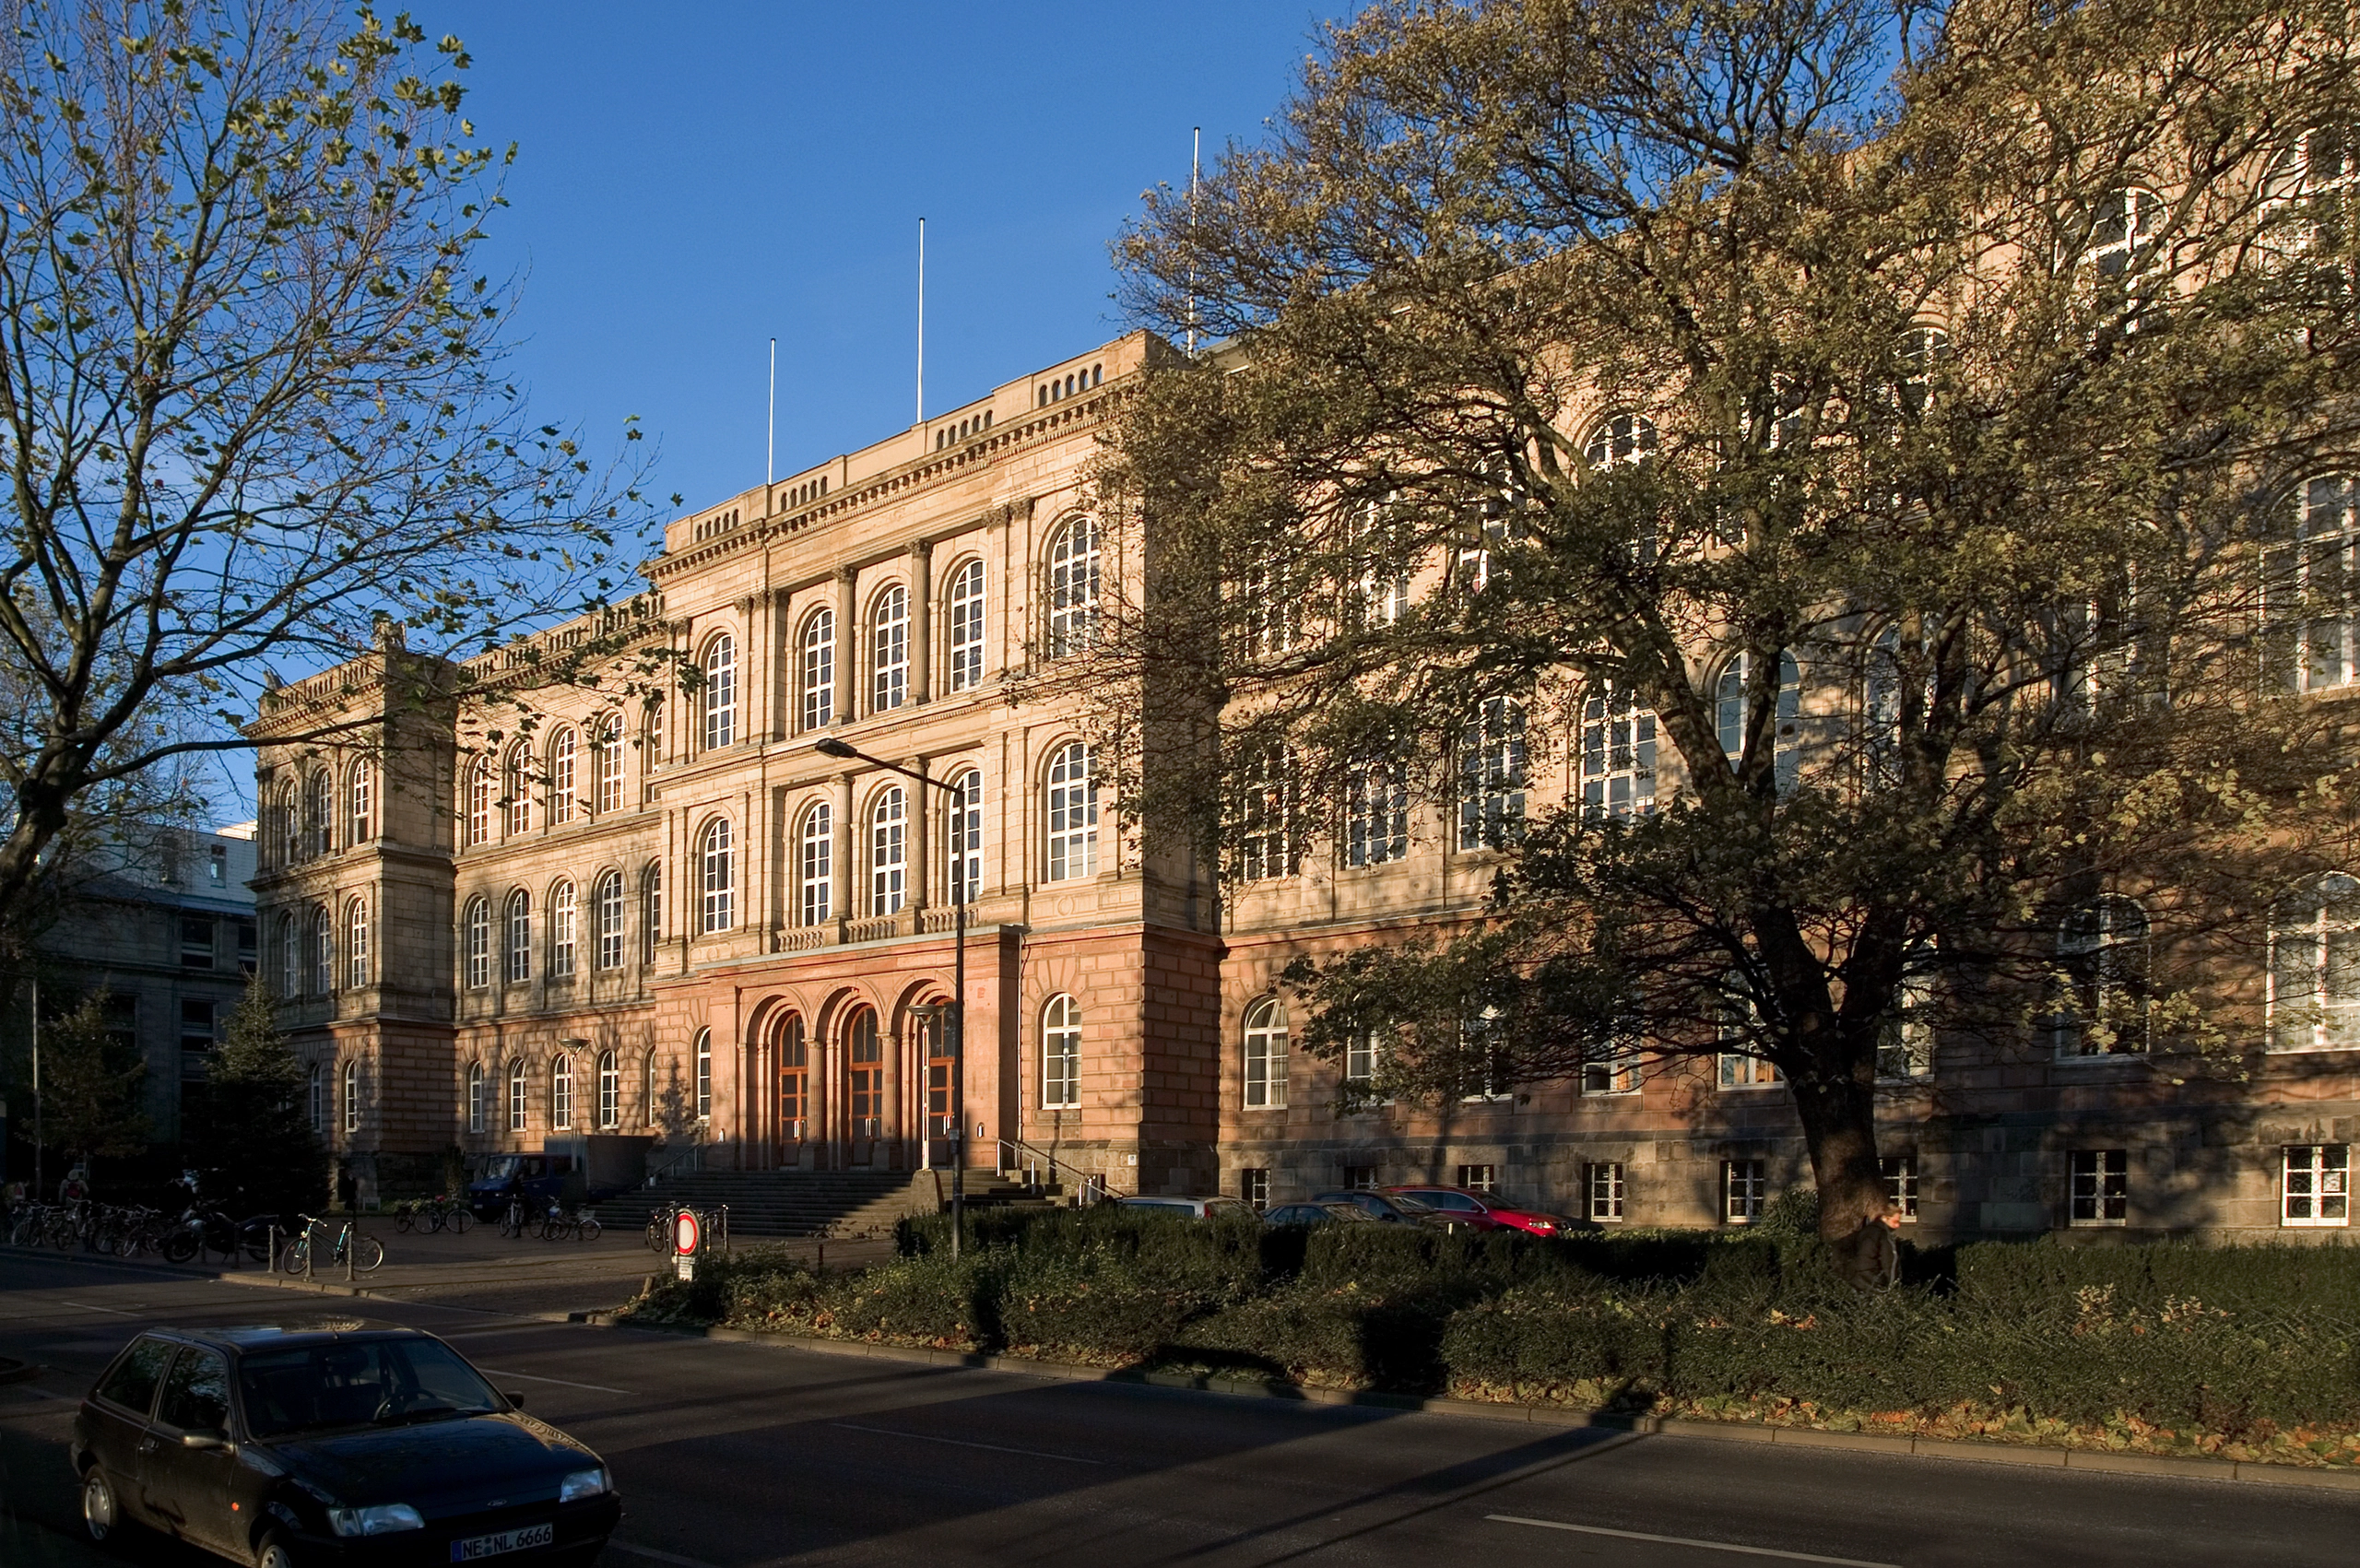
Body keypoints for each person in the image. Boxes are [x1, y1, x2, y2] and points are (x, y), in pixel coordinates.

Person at [1841, 1199, 1903, 1289]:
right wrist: (1886, 1284)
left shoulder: (1869, 1231)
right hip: (1873, 1281)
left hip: (1862, 1280)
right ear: (1885, 1218)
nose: (1898, 1226)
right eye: (1895, 1222)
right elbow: (1887, 1261)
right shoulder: (1881, 1234)